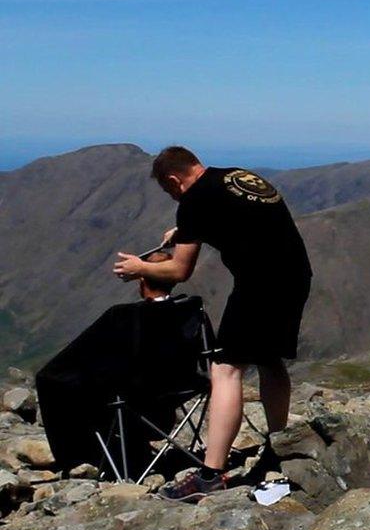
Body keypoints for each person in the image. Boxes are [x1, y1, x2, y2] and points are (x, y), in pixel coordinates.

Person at [113, 146, 313, 501]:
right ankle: (279, 447)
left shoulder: (194, 201)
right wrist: (185, 230)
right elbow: (239, 217)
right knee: (269, 359)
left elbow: (179, 271)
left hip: (259, 284)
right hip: (294, 275)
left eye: (170, 191)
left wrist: (139, 269)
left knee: (225, 369)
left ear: (174, 180)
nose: (174, 196)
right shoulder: (236, 176)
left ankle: (211, 473)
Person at [37, 252, 186, 472]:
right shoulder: (187, 310)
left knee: (54, 382)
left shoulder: (124, 316)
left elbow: (81, 356)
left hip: (132, 404)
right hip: (171, 396)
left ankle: (78, 461)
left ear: (142, 279)